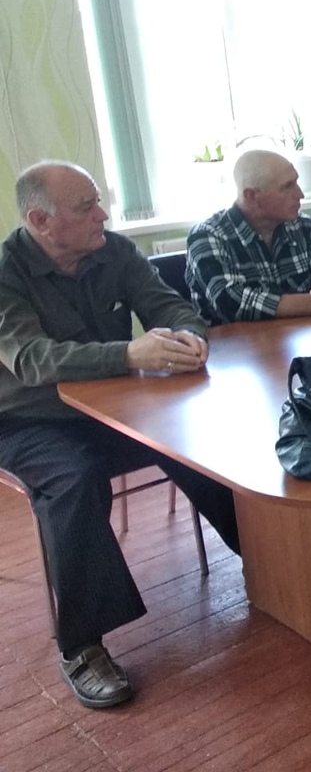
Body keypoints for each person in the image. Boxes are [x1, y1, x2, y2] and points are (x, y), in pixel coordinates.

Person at [0, 161, 239, 709]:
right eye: (86, 206)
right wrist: (129, 353)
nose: (103, 214)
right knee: (74, 480)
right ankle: (81, 647)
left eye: (100, 201)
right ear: (40, 221)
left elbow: (167, 303)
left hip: (108, 403)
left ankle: (270, 561)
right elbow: (32, 360)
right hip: (25, 418)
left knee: (189, 433)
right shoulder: (6, 273)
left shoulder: (113, 250)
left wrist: (188, 335)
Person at [186, 150, 311, 325]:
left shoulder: (301, 226)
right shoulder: (207, 235)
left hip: (294, 336)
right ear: (251, 196)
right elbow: (233, 302)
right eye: (287, 187)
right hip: (230, 343)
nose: (300, 194)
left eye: (296, 182)